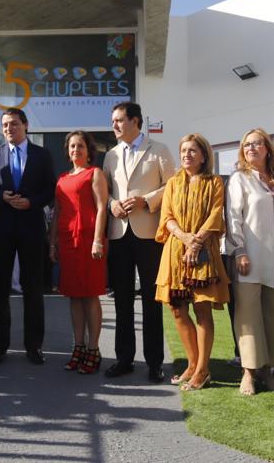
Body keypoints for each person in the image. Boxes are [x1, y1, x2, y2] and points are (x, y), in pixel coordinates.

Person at [103, 101, 176, 383]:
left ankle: (155, 362)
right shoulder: (110, 155)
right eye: (113, 121)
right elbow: (105, 191)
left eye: (119, 120)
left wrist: (147, 201)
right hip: (119, 233)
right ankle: (124, 359)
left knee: (151, 299)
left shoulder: (159, 150)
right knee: (121, 299)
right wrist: (112, 206)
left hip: (149, 234)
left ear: (135, 121)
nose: (115, 125)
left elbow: (172, 185)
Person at [0, 107, 56, 365]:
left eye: (13, 124)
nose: (8, 129)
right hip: (1, 228)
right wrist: (0, 196)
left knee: (33, 288)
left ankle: (34, 347)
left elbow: (50, 190)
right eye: (4, 125)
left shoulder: (42, 155)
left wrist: (31, 203)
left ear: (25, 126)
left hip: (32, 227)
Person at [155, 133, 228, 392]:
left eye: (193, 151)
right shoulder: (173, 182)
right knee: (177, 309)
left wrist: (196, 242)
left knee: (202, 309)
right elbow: (167, 217)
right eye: (184, 150)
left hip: (203, 251)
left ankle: (203, 369)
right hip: (176, 251)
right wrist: (185, 238)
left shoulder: (214, 182)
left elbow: (216, 214)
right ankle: (192, 363)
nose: (187, 155)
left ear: (203, 155)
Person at [227, 127, 274, 396]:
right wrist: (239, 251)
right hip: (249, 257)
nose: (251, 149)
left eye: (257, 144)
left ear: (268, 148)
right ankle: (248, 372)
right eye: (247, 145)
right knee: (248, 316)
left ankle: (268, 372)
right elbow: (233, 217)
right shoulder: (239, 179)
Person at [50, 130, 109, 374]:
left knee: (90, 295)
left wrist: (97, 240)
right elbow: (57, 212)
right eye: (72, 146)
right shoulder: (62, 178)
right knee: (74, 296)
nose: (76, 150)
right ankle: (79, 347)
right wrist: (52, 242)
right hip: (67, 242)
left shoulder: (94, 173)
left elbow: (102, 207)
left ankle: (94, 349)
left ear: (88, 150)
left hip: (88, 241)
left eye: (80, 146)